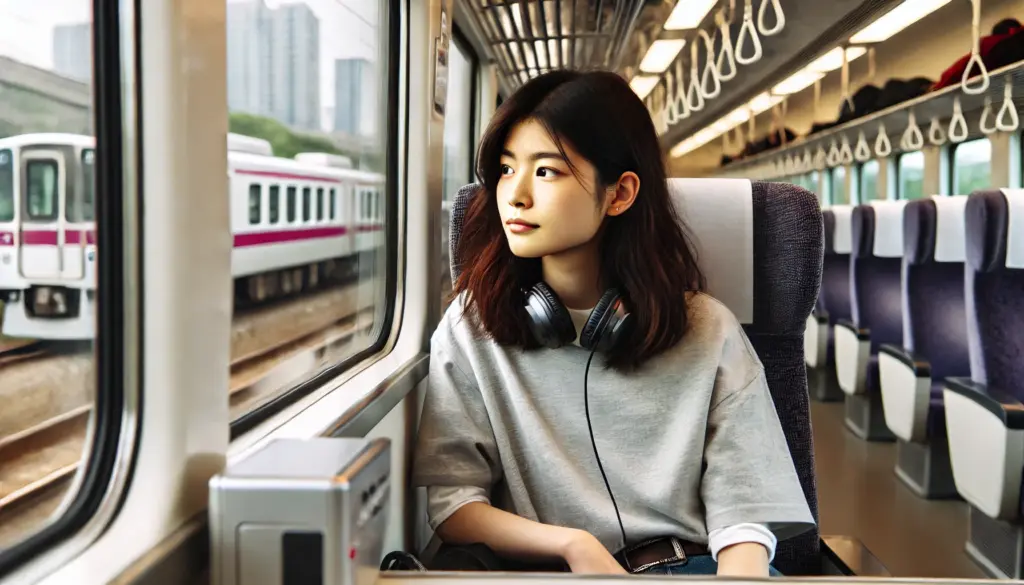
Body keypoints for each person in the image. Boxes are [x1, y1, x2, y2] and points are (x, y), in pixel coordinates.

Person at [411, 69, 815, 577]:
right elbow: (454, 505)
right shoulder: (473, 327)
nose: (514, 195)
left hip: (691, 569)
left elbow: (744, 518)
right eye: (507, 169)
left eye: (546, 172)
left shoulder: (707, 329)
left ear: (619, 194)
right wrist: (572, 545)